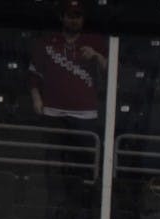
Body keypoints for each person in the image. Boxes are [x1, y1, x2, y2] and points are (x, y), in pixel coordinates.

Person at [28, 0, 107, 132]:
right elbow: (33, 75)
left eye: (77, 16)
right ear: (62, 17)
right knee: (53, 152)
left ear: (83, 19)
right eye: (70, 16)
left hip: (85, 115)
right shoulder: (47, 42)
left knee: (83, 152)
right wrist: (36, 99)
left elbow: (111, 72)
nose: (74, 20)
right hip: (53, 113)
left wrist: (96, 56)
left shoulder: (95, 41)